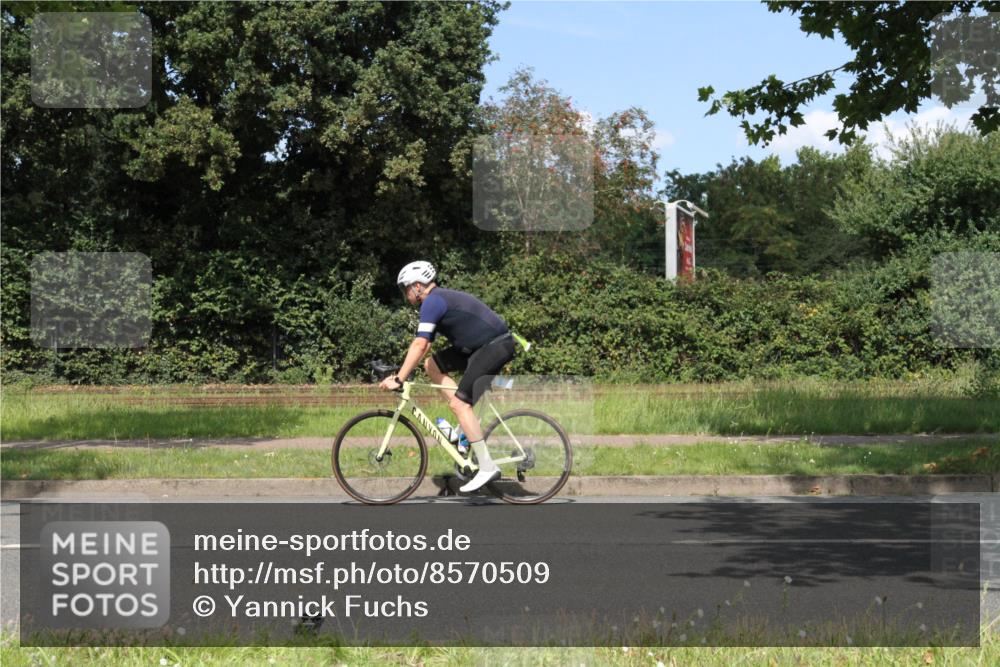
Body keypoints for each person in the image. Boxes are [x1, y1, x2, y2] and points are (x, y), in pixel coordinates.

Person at [379, 260, 516, 492]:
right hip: (478, 347)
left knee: (460, 405)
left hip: (495, 346)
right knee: (431, 365)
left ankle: (487, 466)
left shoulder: (432, 302)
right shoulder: (436, 300)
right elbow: (425, 349)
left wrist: (399, 378)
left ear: (418, 286)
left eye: (406, 288)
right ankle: (462, 433)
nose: (405, 294)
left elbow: (420, 343)